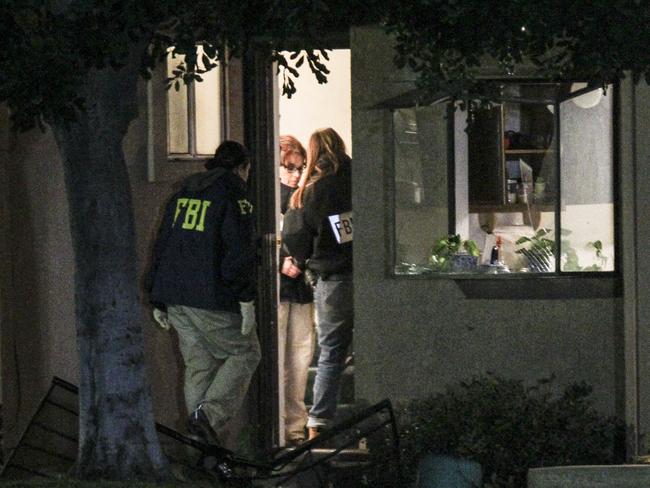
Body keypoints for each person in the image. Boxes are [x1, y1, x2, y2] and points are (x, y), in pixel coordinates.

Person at [146, 140, 260, 447]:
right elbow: (239, 250)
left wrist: (156, 296)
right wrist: (246, 297)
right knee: (246, 352)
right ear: (242, 167)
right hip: (209, 295)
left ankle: (199, 451)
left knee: (200, 366)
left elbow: (163, 241)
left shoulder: (186, 190)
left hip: (174, 294)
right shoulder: (234, 193)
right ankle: (207, 419)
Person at [281, 128, 353, 440]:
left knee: (331, 350)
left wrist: (299, 259)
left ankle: (318, 421)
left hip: (331, 277)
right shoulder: (360, 179)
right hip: (367, 276)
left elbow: (296, 237)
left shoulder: (311, 190)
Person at [277, 135, 315, 445]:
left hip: (300, 288)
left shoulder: (305, 197)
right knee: (280, 357)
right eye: (289, 167)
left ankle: (294, 425)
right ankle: (280, 424)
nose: (295, 173)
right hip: (277, 288)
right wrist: (281, 260)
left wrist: (301, 260)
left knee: (300, 358)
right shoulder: (267, 196)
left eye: (300, 167)